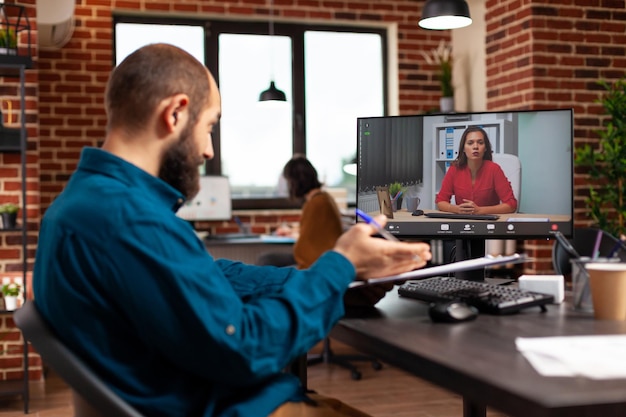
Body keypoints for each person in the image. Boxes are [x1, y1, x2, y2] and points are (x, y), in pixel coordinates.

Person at [32, 43, 431, 417]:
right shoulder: (127, 218)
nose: (208, 150)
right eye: (209, 127)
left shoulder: (85, 204)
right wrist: (340, 265)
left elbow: (210, 277)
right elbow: (246, 347)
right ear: (175, 113)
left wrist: (330, 278)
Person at [278, 155, 395, 306]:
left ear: (294, 182)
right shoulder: (322, 198)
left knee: (269, 262)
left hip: (320, 263)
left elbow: (305, 250)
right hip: (327, 260)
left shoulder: (316, 203)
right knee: (272, 262)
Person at [435, 126, 517, 215]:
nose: (475, 147)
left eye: (480, 143)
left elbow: (511, 205)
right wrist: (456, 209)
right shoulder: (454, 169)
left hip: (489, 223)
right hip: (463, 222)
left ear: (485, 148)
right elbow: (441, 201)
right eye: (470, 143)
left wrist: (480, 211)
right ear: (463, 148)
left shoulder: (494, 169)